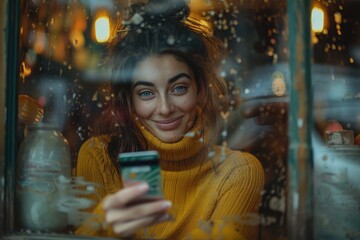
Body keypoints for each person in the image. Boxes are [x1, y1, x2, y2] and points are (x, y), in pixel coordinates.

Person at [75, 0, 264, 239]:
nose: (164, 109)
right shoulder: (99, 157)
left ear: (200, 90)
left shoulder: (237, 172)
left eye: (179, 88)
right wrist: (104, 223)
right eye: (146, 93)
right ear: (131, 101)